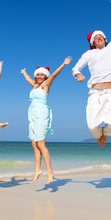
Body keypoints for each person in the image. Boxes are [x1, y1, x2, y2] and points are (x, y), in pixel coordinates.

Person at [71, 0, 111, 147]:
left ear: (105, 39)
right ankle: (98, 134)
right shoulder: (89, 54)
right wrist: (78, 74)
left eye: (101, 36)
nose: (99, 38)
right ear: (93, 42)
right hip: (96, 93)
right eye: (96, 37)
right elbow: (75, 68)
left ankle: (104, 134)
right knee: (92, 126)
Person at [20, 56, 72, 184]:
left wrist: (63, 64)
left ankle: (50, 171)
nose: (39, 76)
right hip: (32, 115)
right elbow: (28, 79)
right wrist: (24, 72)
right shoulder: (35, 85)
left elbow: (54, 74)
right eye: (37, 75)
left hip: (41, 115)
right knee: (34, 144)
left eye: (42, 75)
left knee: (41, 144)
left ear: (45, 76)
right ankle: (38, 169)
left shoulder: (45, 85)